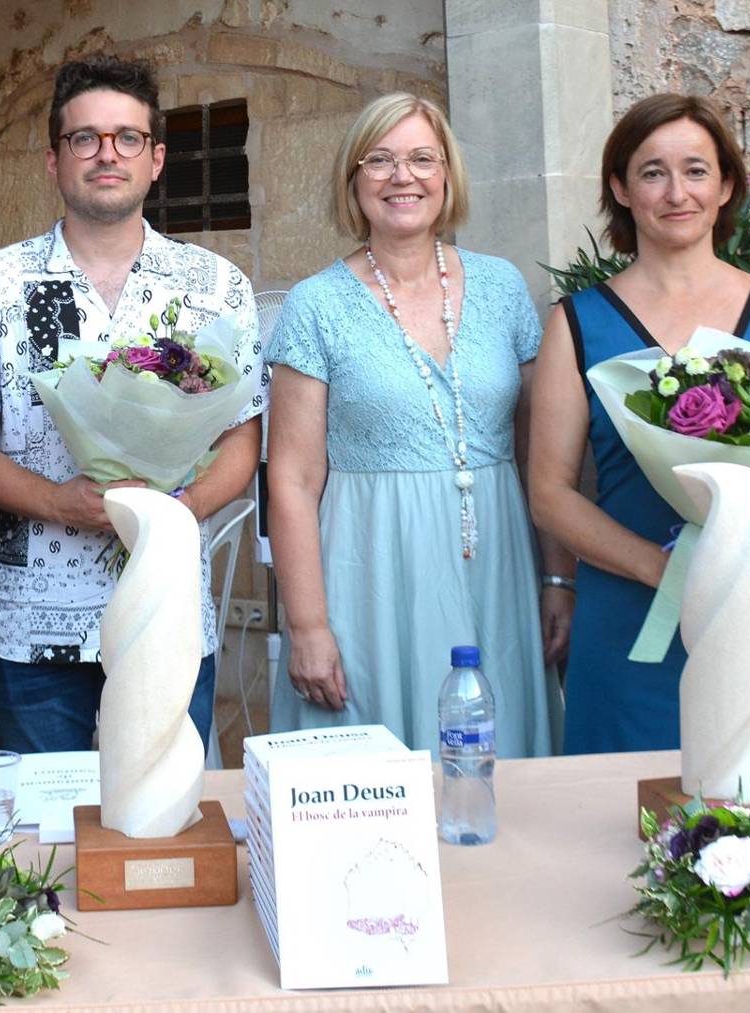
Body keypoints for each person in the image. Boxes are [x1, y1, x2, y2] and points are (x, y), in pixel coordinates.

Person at [0, 54, 263, 755]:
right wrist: (59, 503)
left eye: (127, 137)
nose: (105, 154)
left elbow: (243, 438)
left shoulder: (215, 287)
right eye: (84, 138)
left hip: (165, 607)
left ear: (156, 159)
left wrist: (178, 511)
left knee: (158, 835)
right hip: (28, 628)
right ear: (53, 161)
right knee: (46, 845)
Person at [527, 93, 750, 754]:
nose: (677, 191)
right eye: (652, 172)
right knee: (620, 821)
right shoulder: (576, 325)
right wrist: (664, 570)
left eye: (697, 170)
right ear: (620, 188)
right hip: (634, 605)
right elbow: (551, 492)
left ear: (726, 184)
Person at [264, 93, 570, 756]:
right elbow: (291, 477)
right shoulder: (315, 306)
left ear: (449, 176)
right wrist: (308, 623)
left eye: (422, 159)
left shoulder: (502, 287)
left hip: (498, 565)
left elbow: (539, 449)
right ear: (355, 180)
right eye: (380, 160)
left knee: (501, 770)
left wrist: (557, 577)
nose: (402, 176)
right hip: (369, 568)